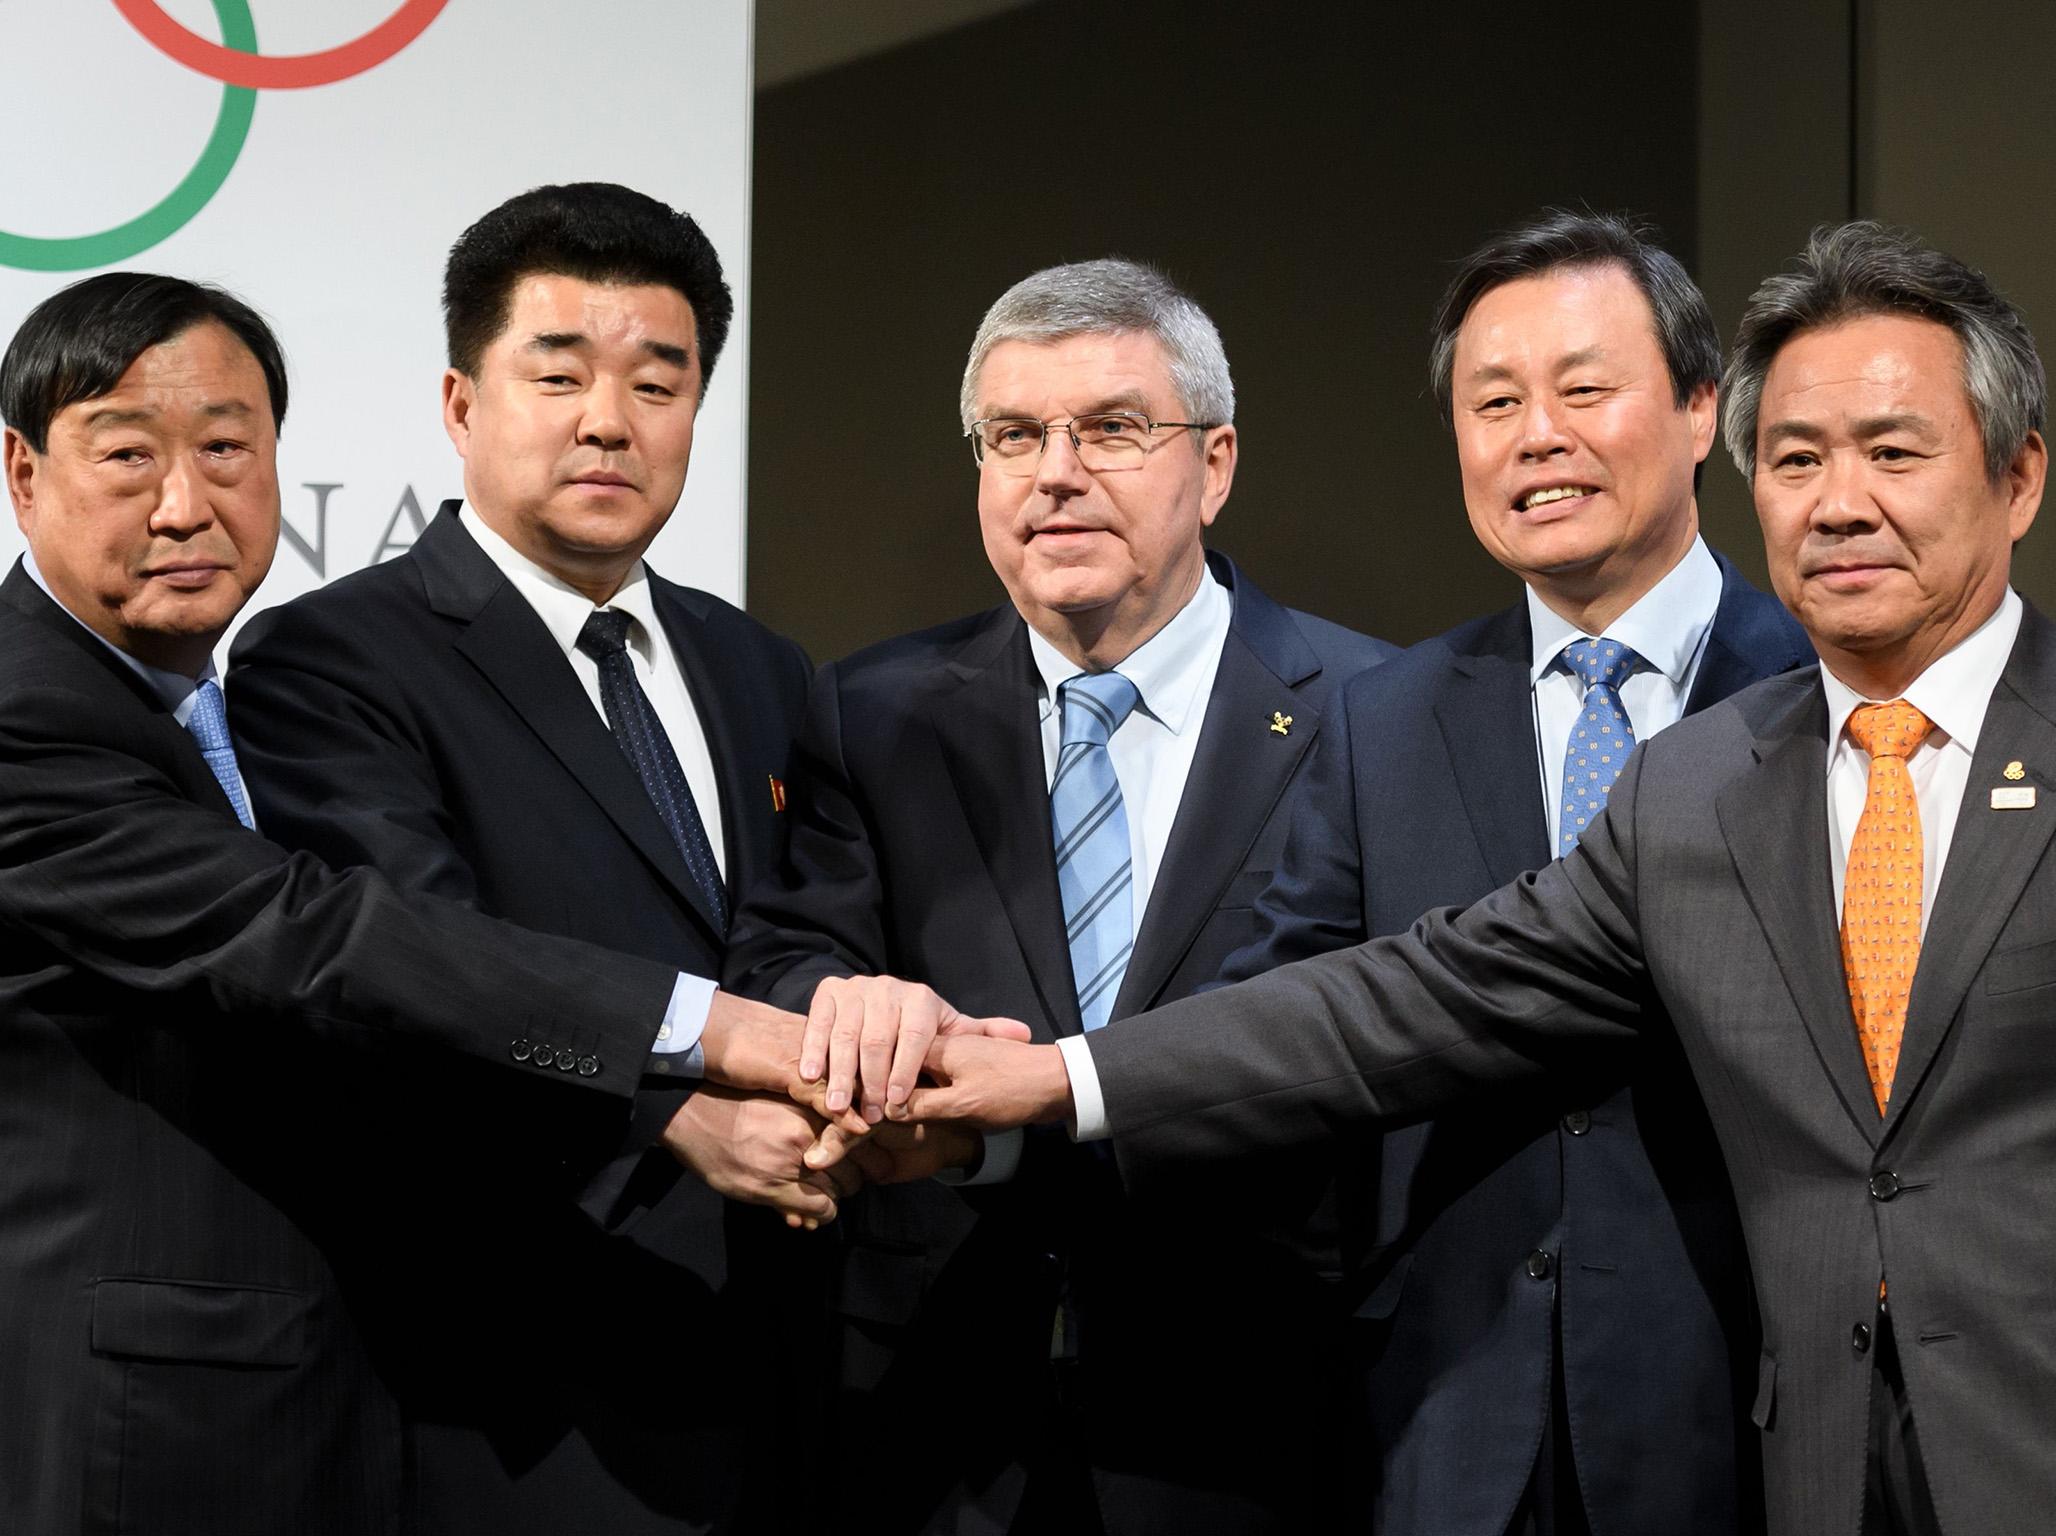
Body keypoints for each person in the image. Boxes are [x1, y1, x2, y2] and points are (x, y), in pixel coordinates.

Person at [905, 221, 2052, 1536]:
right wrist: (1054, 1081)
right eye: (1795, 460)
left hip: (1807, 1432)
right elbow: (1390, 1003)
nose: (1838, 502)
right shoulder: (1702, 780)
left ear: (2017, 480)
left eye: (1893, 453)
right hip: (1505, 1431)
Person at [0, 272, 811, 1535]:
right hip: (142, 1417)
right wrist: (699, 1035)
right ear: (24, 473)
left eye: (227, 449)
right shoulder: (23, 716)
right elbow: (315, 938)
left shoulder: (207, 703)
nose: (185, 504)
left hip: (350, 1397)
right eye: (126, 454)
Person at [227, 183, 972, 1535]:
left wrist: (843, 1070)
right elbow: (412, 970)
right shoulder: (331, 658)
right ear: (462, 405)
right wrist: (669, 1113)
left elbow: (808, 925)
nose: (608, 421)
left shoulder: (761, 666)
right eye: (557, 373)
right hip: (510, 1377)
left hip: (784, 1351)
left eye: (658, 380)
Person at [725, 257, 1393, 1532]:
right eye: (1014, 435)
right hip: (935, 1411)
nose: (1056, 472)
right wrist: (854, 1012)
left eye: (1112, 429)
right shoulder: (870, 710)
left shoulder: (1370, 710)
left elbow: (1383, 1036)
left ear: (1218, 463)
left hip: (1260, 1409)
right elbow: (784, 956)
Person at [1218, 210, 1809, 1535]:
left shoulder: (1820, 690)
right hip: (1443, 1418)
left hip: (1750, 1419)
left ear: (1703, 408)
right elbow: (1290, 1025)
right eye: (1494, 403)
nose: (1536, 434)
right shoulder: (1382, 718)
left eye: (1585, 389)